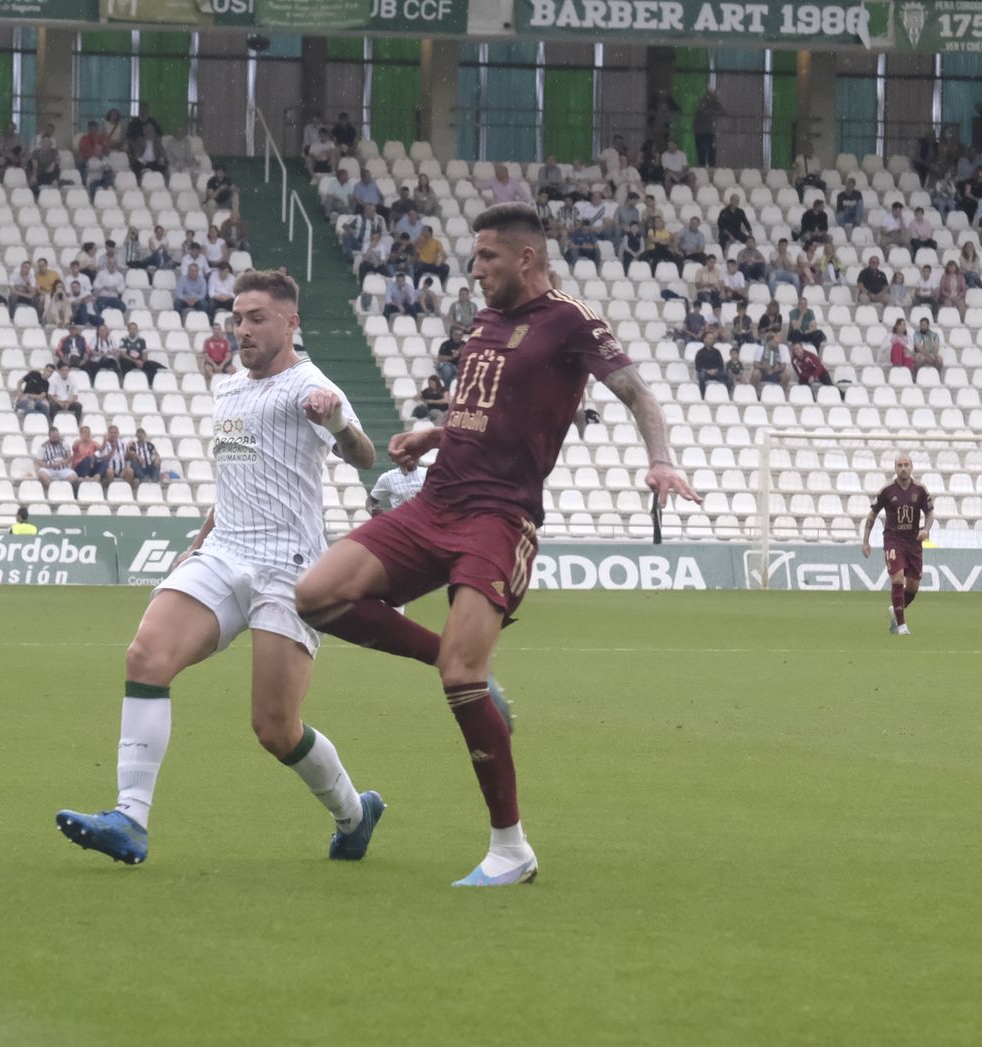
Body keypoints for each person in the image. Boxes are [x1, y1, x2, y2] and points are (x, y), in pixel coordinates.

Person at [293, 202, 700, 886]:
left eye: (487, 257)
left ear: (525, 259)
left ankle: (511, 849)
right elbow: (479, 405)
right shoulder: (485, 321)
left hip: (500, 517)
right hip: (436, 502)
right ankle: (453, 659)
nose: (475, 269)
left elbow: (637, 394)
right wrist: (436, 434)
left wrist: (660, 459)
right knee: (315, 595)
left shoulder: (570, 320)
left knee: (462, 678)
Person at [56, 267, 382, 868]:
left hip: (289, 567)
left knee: (276, 728)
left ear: (291, 321)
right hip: (225, 550)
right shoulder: (228, 389)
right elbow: (237, 477)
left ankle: (354, 816)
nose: (243, 329)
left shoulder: (311, 385)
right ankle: (130, 819)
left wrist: (336, 419)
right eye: (237, 319)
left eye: (257, 318)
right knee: (146, 657)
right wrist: (198, 542)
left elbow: (363, 455)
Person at [863, 453, 934, 636]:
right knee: (897, 579)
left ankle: (895, 610)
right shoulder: (887, 491)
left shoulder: (920, 490)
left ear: (911, 467)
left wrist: (926, 529)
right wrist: (866, 541)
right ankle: (902, 626)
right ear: (895, 468)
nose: (903, 468)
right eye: (899, 465)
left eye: (906, 465)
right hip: (893, 540)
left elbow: (930, 513)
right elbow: (872, 515)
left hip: (913, 542)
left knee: (913, 588)